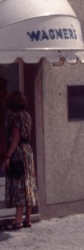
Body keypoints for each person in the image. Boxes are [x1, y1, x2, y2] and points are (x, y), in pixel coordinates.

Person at [2, 91, 38, 230]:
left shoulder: (15, 118)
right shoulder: (27, 116)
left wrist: (7, 156)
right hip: (28, 151)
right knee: (28, 184)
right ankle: (27, 219)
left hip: (18, 153)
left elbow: (15, 139)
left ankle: (17, 220)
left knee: (19, 186)